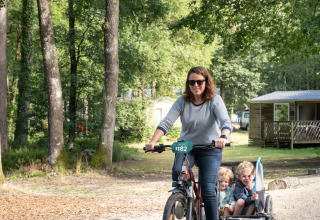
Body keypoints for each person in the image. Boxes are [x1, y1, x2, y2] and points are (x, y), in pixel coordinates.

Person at [145, 66, 232, 220]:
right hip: (187, 146)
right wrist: (152, 141)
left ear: (206, 82)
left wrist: (223, 137)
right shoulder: (182, 101)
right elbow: (167, 122)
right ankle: (181, 198)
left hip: (210, 148)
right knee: (178, 171)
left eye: (199, 81)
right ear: (188, 84)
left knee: (207, 191)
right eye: (192, 82)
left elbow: (226, 122)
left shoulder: (214, 100)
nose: (195, 85)